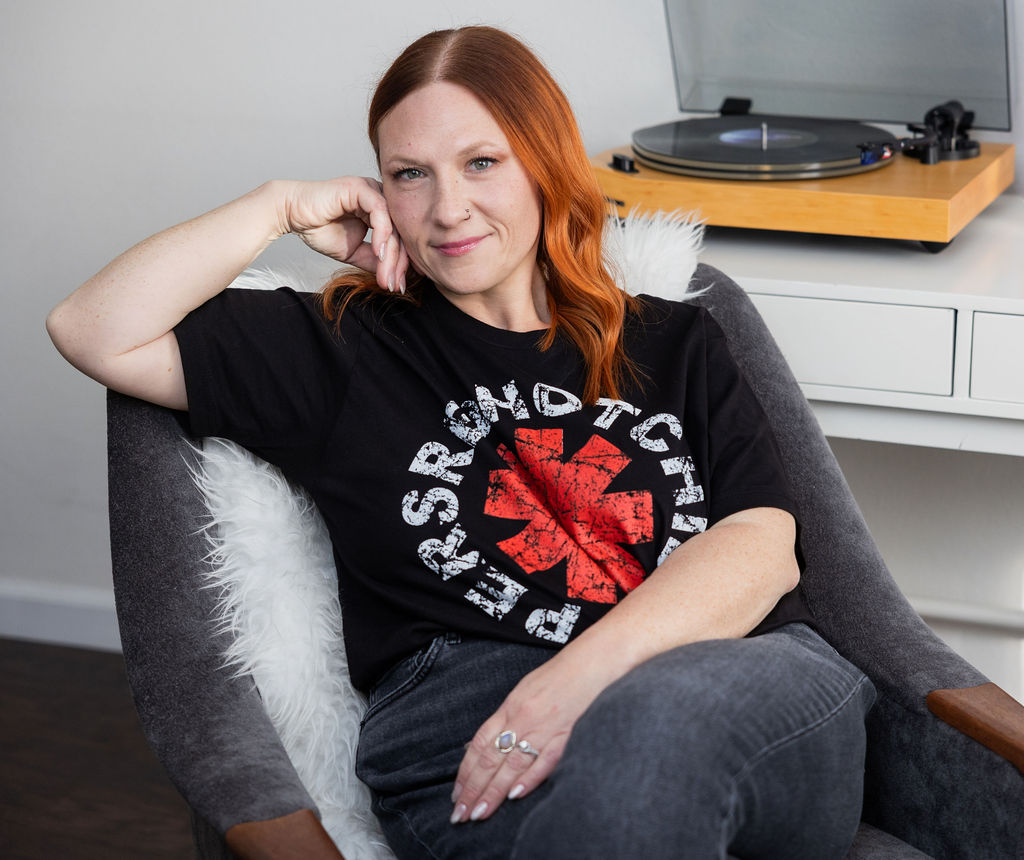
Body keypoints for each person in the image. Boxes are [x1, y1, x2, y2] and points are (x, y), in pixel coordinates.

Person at [47, 25, 875, 860]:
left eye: (482, 163)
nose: (447, 209)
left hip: (738, 687)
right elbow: (92, 329)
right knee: (629, 797)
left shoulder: (674, 339)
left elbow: (763, 547)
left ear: (544, 163)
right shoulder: (342, 348)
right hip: (470, 731)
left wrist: (575, 681)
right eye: (411, 175)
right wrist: (278, 206)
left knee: (650, 734)